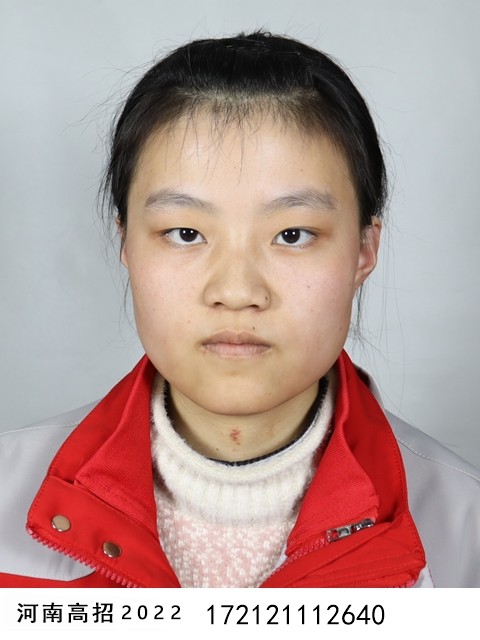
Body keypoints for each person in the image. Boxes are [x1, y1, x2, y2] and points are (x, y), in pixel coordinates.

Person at [0, 31, 479, 589]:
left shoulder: (464, 530)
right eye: (185, 233)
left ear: (363, 250)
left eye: (293, 234)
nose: (236, 290)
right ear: (126, 241)